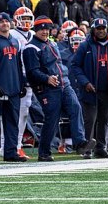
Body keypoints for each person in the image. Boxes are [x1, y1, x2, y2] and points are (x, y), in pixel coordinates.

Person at [23, 16, 96, 161]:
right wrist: (47, 78)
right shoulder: (31, 48)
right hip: (47, 88)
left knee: (76, 108)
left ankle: (80, 142)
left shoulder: (52, 43)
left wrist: (64, 78)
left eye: (47, 29)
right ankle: (44, 152)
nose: (45, 32)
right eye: (41, 29)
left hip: (64, 83)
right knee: (52, 119)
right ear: (36, 30)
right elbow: (32, 72)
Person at [71, 18, 108, 158]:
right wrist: (85, 82)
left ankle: (101, 148)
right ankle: (87, 149)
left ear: (107, 29)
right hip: (91, 90)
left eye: (103, 28)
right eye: (98, 28)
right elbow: (75, 65)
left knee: (104, 120)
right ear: (93, 30)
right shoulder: (86, 45)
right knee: (90, 120)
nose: (101, 31)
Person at [0, 12, 27, 162]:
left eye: (6, 21)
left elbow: (19, 65)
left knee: (12, 122)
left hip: (13, 89)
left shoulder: (16, 42)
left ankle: (11, 152)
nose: (4, 24)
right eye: (1, 22)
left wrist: (22, 84)